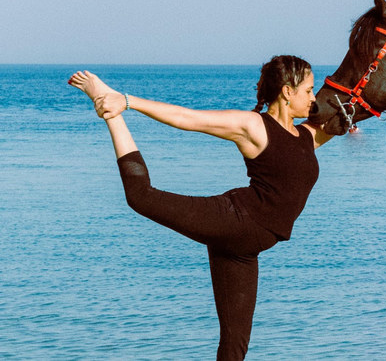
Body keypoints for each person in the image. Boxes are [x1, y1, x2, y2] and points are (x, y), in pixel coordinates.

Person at [68, 55, 334, 360]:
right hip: (234, 220)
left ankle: (111, 101)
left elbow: (351, 109)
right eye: (309, 90)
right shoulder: (253, 126)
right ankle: (109, 109)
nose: (314, 99)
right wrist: (126, 102)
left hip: (244, 249)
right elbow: (188, 118)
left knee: (235, 344)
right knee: (140, 195)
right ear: (288, 91)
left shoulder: (305, 136)